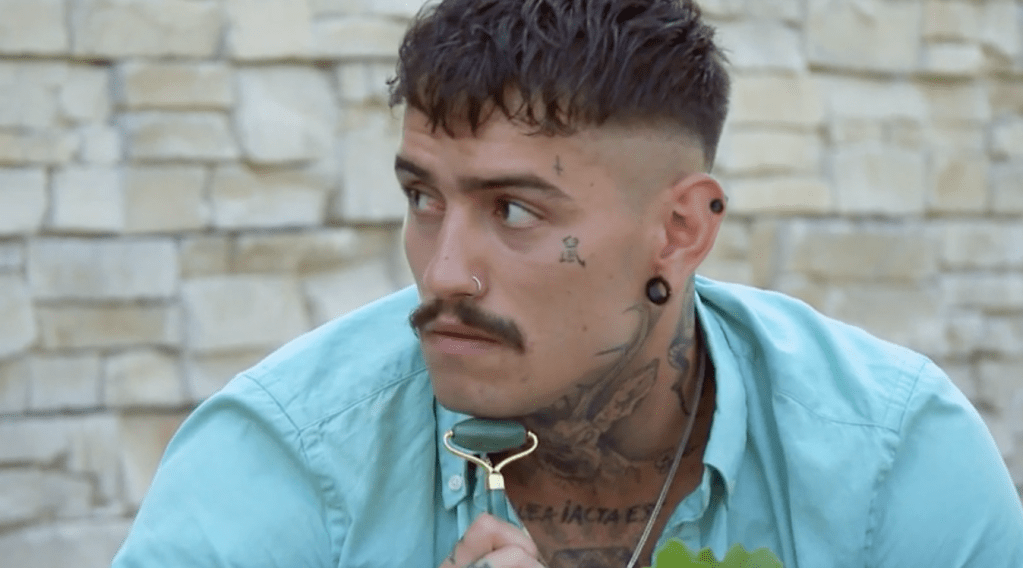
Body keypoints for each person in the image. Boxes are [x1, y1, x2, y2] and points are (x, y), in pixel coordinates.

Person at [111, 0, 1023, 566]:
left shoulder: (888, 454)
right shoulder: (288, 456)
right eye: (423, 198)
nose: (443, 272)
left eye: (513, 211)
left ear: (679, 231)